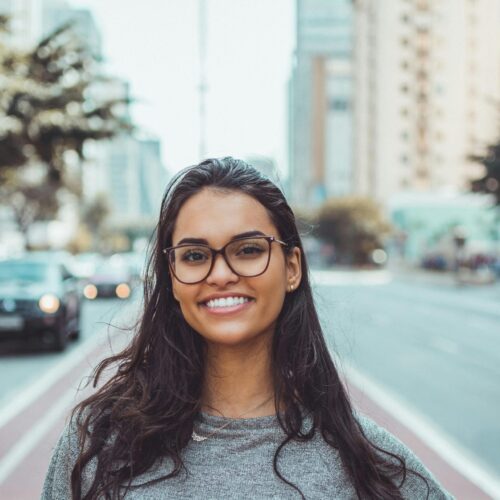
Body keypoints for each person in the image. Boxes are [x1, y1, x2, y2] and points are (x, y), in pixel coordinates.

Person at [42, 157, 453, 499]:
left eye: (249, 250)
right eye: (195, 255)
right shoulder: (96, 446)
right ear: (171, 277)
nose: (220, 274)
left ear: (291, 268)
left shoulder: (370, 464)